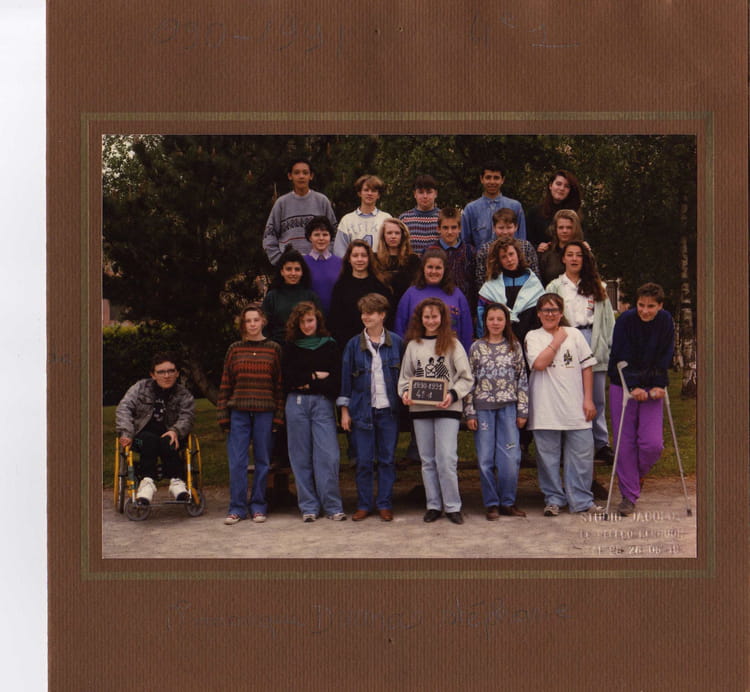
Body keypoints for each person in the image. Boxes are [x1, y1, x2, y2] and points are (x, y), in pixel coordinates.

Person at [524, 294, 603, 515]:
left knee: (582, 456)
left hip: (575, 407)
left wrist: (588, 399)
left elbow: (587, 367)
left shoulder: (575, 334)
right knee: (548, 459)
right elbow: (539, 364)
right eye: (545, 310)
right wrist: (557, 340)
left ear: (561, 313)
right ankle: (554, 499)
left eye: (554, 310)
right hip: (545, 409)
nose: (550, 314)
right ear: (538, 314)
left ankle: (581, 501)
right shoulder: (533, 336)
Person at [398, 298, 473, 524]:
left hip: (447, 408)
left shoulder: (453, 344)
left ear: (442, 318)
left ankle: (452, 506)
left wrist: (452, 395)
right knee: (427, 460)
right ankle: (433, 504)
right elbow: (405, 378)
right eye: (427, 317)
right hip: (420, 410)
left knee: (446, 458)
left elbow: (466, 378)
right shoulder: (413, 345)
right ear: (420, 319)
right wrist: (405, 393)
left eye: (435, 316)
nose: (431, 321)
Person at [607, 282, 674, 516]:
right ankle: (629, 496)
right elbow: (620, 355)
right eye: (641, 305)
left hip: (651, 385)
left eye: (651, 306)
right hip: (622, 383)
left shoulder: (666, 321)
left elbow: (665, 354)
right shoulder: (625, 320)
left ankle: (635, 476)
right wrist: (633, 385)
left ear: (660, 306)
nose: (645, 310)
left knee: (652, 444)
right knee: (625, 442)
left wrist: (659, 384)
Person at [545, 240, 616, 463]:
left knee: (596, 398)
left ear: (584, 259)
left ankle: (601, 443)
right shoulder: (555, 287)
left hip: (592, 340)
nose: (574, 259)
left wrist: (609, 345)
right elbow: (548, 317)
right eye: (570, 254)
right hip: (566, 340)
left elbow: (608, 320)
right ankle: (569, 443)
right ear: (563, 258)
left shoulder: (597, 286)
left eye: (579, 255)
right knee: (569, 396)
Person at [338, 293, 404, 522]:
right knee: (363, 461)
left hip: (388, 411)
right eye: (363, 313)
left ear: (382, 315)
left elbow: (405, 377)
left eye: (371, 313)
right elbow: (346, 380)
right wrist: (344, 411)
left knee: (387, 460)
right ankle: (364, 504)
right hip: (361, 412)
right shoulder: (353, 345)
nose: (366, 317)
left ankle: (384, 503)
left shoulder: (397, 343)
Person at [217, 305, 284, 525]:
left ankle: (258, 505)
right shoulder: (234, 349)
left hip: (265, 412)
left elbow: (279, 386)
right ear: (243, 324)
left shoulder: (273, 349)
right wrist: (223, 415)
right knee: (237, 462)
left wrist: (278, 416)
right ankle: (237, 507)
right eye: (248, 321)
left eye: (256, 320)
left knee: (263, 461)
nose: (252, 324)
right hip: (239, 412)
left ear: (263, 321)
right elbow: (226, 383)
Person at [282, 302, 346, 522]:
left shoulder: (330, 345)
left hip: (322, 403)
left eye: (310, 320)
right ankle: (308, 506)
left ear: (317, 320)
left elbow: (335, 381)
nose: (306, 325)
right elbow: (288, 379)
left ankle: (332, 506)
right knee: (300, 457)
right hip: (296, 404)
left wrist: (307, 380)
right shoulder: (290, 347)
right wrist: (316, 376)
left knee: (328, 455)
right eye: (302, 322)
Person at [465, 303, 529, 520]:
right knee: (485, 459)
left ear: (506, 322)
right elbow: (469, 381)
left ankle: (507, 502)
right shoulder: (476, 347)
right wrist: (470, 412)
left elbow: (522, 379)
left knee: (510, 458)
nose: (495, 323)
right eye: (491, 319)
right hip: (483, 409)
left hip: (508, 408)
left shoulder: (514, 346)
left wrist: (523, 410)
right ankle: (491, 503)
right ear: (485, 322)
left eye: (499, 319)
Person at [115, 352, 195, 506]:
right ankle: (147, 483)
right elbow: (123, 409)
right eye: (161, 372)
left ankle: (177, 482)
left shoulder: (184, 395)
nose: (167, 375)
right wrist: (126, 432)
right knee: (148, 440)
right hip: (140, 439)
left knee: (168, 439)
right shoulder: (139, 388)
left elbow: (187, 416)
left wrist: (176, 430)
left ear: (177, 373)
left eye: (171, 371)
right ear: (153, 374)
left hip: (171, 436)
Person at [394, 247, 473, 354]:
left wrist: (465, 356)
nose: (434, 271)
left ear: (445, 269)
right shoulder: (410, 294)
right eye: (430, 267)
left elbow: (466, 331)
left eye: (438, 268)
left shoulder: (457, 295)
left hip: (450, 353)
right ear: (423, 268)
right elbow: (399, 329)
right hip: (418, 354)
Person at [262, 157, 337, 266]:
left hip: (318, 264)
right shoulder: (281, 203)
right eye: (297, 173)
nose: (301, 176)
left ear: (311, 176)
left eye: (305, 173)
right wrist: (279, 260)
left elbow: (334, 233)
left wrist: (325, 256)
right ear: (290, 176)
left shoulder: (322, 201)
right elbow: (269, 235)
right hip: (290, 267)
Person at [476, 238, 544, 344]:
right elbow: (482, 316)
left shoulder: (531, 281)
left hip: (529, 339)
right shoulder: (491, 286)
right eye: (503, 257)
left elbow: (540, 315)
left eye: (511, 254)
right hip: (498, 340)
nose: (509, 259)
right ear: (498, 260)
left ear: (518, 254)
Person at [328, 239, 393, 347]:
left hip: (377, 342)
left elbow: (388, 316)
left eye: (364, 255)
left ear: (369, 258)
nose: (359, 259)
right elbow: (335, 319)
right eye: (355, 255)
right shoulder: (341, 286)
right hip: (348, 343)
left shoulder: (380, 285)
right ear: (349, 259)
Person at [261, 246, 322, 343]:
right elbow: (264, 327)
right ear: (282, 271)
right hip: (278, 346)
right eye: (289, 269)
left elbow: (319, 326)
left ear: (302, 272)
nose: (293, 273)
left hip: (306, 346)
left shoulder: (311, 296)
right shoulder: (272, 297)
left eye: (297, 269)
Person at [461, 160, 526, 248]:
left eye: (496, 178)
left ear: (502, 180)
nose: (492, 182)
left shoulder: (515, 207)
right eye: (488, 177)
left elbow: (522, 241)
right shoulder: (471, 209)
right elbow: (465, 243)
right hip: (481, 256)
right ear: (481, 179)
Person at [474, 208, 540, 292]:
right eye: (501, 228)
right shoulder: (485, 250)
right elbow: (481, 279)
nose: (505, 232)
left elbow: (535, 275)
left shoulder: (526, 247)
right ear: (494, 228)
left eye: (509, 227)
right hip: (494, 294)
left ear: (516, 227)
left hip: (524, 292)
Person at [427, 206, 477, 311]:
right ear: (438, 228)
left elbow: (474, 283)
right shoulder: (430, 252)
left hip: (464, 306)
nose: (449, 232)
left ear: (460, 228)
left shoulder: (470, 252)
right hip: (436, 306)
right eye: (445, 228)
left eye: (453, 227)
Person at [332, 174, 391, 256]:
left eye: (373, 191)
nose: (369, 193)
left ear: (378, 195)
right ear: (359, 193)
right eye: (366, 190)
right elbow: (340, 250)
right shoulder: (347, 220)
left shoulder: (386, 218)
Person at [526, 170, 583, 250]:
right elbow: (527, 241)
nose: (562, 188)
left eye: (566, 186)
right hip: (543, 256)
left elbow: (582, 238)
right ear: (550, 186)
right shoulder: (535, 212)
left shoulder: (575, 213)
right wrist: (537, 247)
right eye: (558, 184)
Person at [372, 217, 422, 306]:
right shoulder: (374, 259)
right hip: (380, 307)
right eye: (389, 233)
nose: (393, 236)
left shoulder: (413, 260)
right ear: (383, 236)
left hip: (406, 304)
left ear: (403, 235)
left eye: (397, 233)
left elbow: (417, 287)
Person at [303, 215, 343, 316]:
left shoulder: (341, 263)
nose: (321, 238)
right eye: (316, 235)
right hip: (309, 318)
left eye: (325, 234)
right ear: (310, 237)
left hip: (335, 316)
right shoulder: (302, 263)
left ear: (330, 237)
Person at [538, 209, 589, 286]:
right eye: (561, 227)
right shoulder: (547, 253)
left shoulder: (584, 252)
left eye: (569, 227)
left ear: (575, 229)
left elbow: (592, 278)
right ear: (555, 229)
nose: (564, 231)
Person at [398, 174, 441, 256]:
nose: (425, 196)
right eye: (421, 192)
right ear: (415, 194)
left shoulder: (443, 218)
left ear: (435, 194)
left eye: (429, 192)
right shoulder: (404, 219)